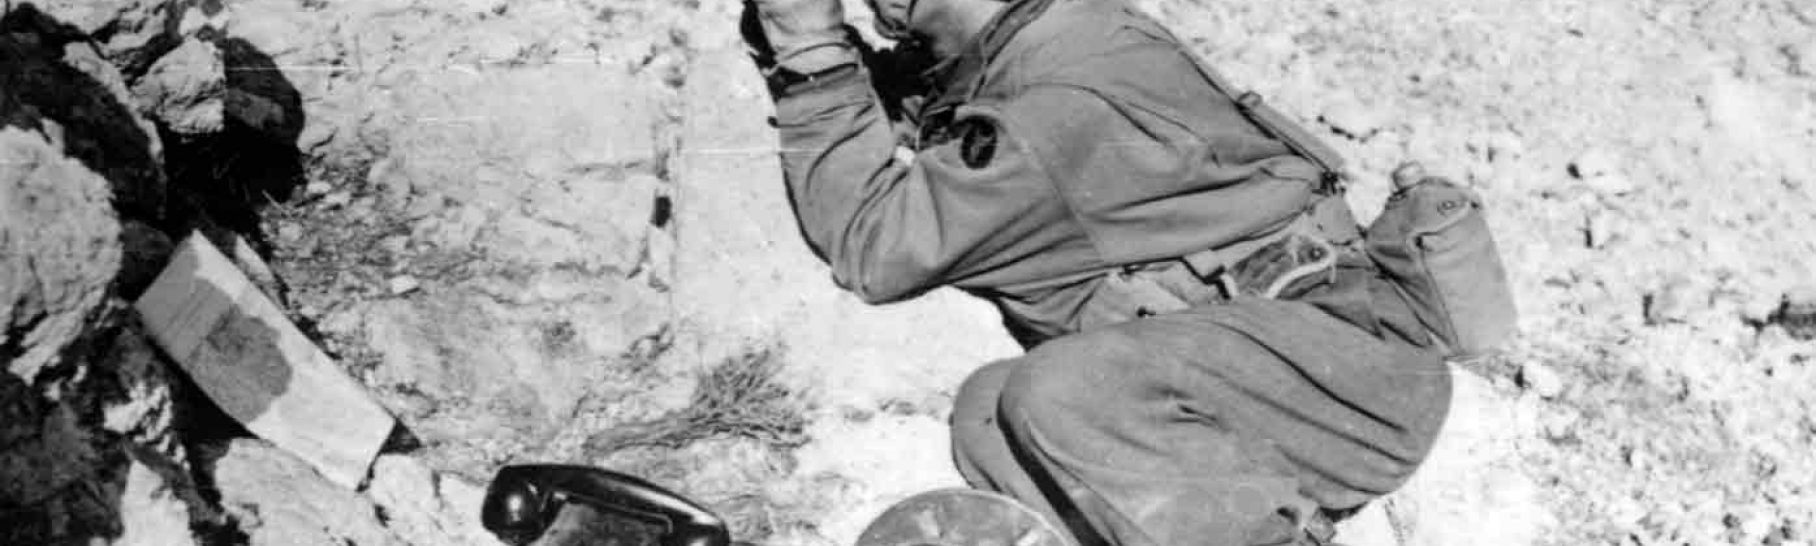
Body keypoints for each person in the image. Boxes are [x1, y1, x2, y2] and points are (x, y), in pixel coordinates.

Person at [740, 0, 1454, 543]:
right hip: (1299, 376)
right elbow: (943, 114)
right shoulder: (1063, 34)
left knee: (1062, 395)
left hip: (1352, 393)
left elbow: (874, 248)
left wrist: (812, 57)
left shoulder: (1052, 113)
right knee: (990, 412)